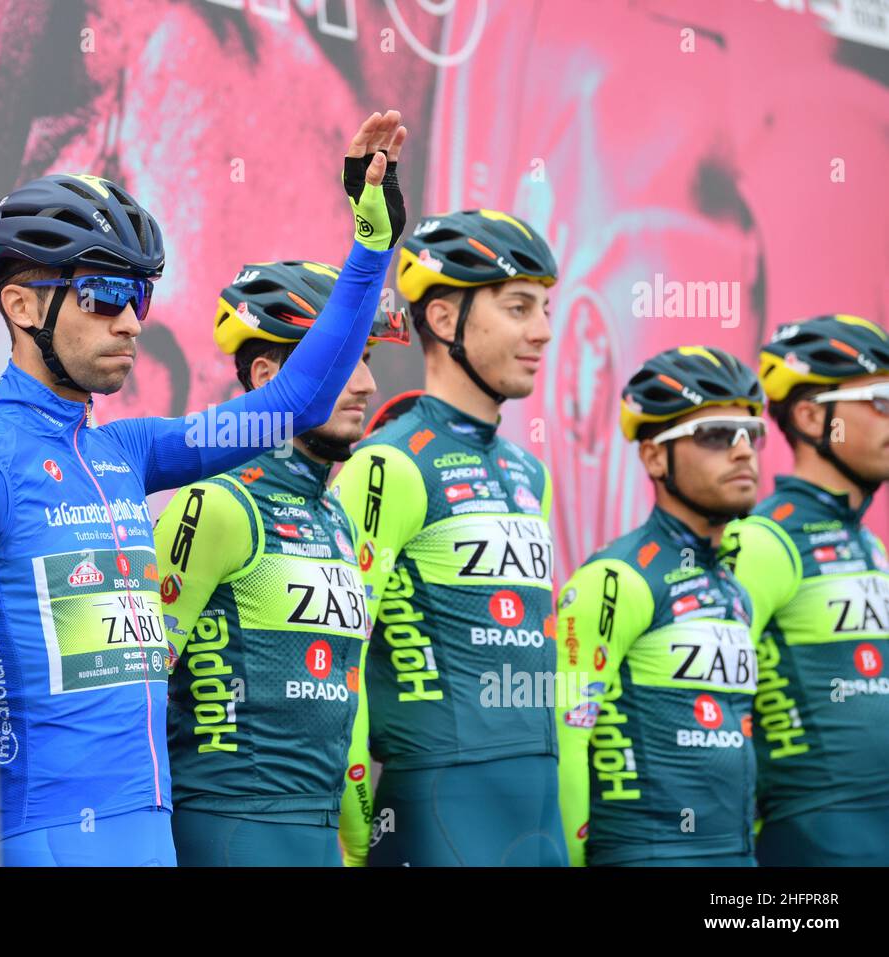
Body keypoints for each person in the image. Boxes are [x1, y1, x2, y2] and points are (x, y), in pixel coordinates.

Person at [0, 111, 409, 866]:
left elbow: (292, 403)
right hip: (45, 837)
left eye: (140, 296)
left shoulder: (127, 452)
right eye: (102, 294)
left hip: (150, 835)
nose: (130, 321)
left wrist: (370, 246)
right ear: (23, 305)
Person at [153, 260, 410, 867]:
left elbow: (341, 703)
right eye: (346, 360)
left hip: (320, 834)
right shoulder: (213, 503)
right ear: (268, 375)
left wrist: (355, 842)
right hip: (227, 829)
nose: (369, 384)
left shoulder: (337, 517)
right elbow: (133, 691)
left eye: (368, 359)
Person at [332, 208, 566, 866]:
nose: (543, 331)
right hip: (441, 808)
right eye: (520, 307)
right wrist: (351, 838)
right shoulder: (388, 463)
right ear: (443, 319)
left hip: (541, 809)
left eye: (545, 309)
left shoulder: (530, 473)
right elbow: (336, 667)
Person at [556, 347, 764, 866]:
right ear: (653, 456)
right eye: (716, 435)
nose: (743, 452)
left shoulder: (732, 588)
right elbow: (565, 742)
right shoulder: (618, 577)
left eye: (750, 435)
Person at [725, 315, 889, 866]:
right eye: (880, 400)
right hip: (811, 837)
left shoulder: (868, 542)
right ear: (813, 417)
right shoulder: (764, 538)